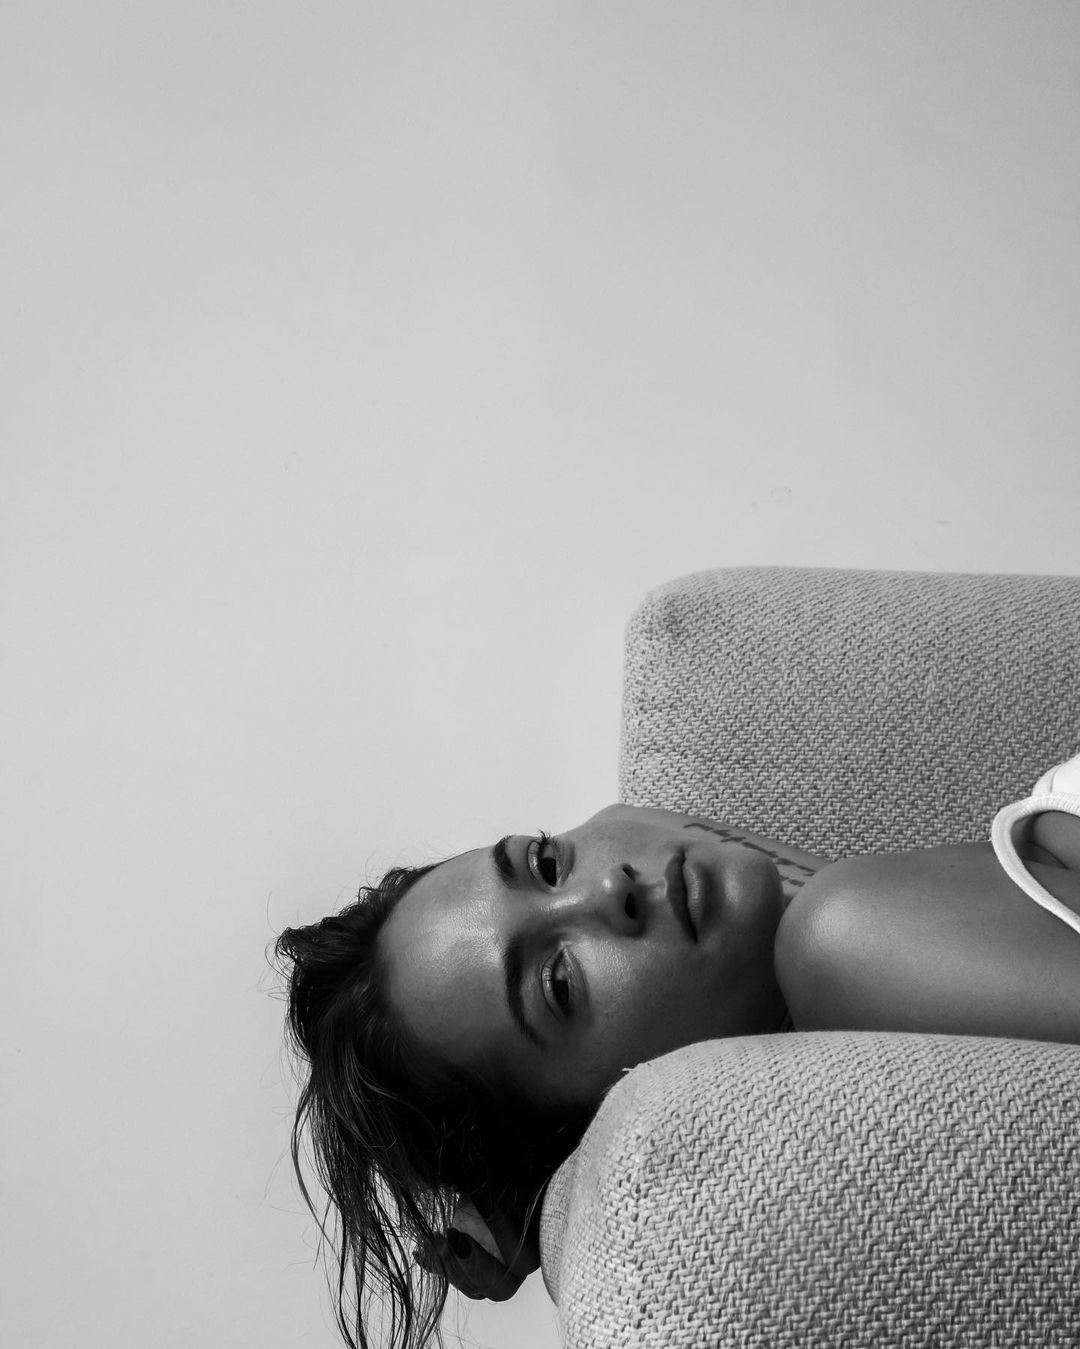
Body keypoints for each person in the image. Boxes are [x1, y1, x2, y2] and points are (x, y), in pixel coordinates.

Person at [275, 752, 1080, 1349]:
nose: (610, 885)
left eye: (547, 860)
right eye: (559, 984)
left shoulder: (877, 928)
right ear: (591, 1113)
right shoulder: (846, 934)